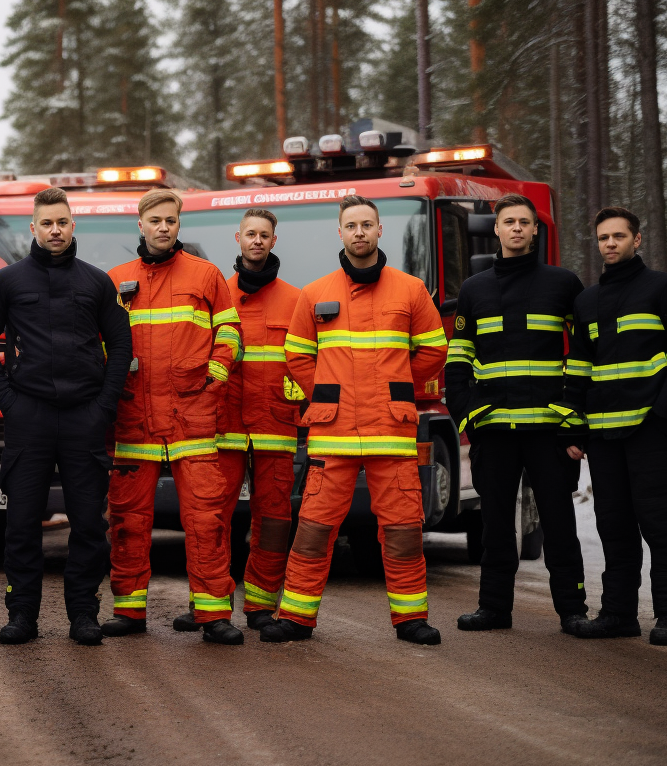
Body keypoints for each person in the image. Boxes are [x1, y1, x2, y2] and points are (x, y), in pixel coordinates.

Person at [261, 194, 447, 645]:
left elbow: (435, 349)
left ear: (379, 230)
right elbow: (297, 356)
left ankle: (410, 619)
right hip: (333, 435)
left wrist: (397, 386)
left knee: (403, 532)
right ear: (340, 232)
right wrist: (326, 394)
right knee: (312, 532)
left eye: (367, 224)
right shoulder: (315, 293)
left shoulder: (411, 290)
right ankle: (296, 618)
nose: (359, 232)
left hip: (391, 433)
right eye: (351, 225)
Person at [0, 187, 132, 646]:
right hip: (30, 418)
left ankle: (83, 615)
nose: (55, 230)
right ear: (34, 228)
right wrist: (8, 401)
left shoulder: (97, 283)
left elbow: (121, 344)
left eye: (62, 222)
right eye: (46, 223)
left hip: (85, 417)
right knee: (22, 523)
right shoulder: (8, 281)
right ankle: (22, 615)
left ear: (72, 225)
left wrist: (104, 404)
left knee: (87, 525)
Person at [560, 207, 667, 646]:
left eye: (619, 236)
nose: (610, 243)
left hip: (649, 433)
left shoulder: (665, 287)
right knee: (614, 527)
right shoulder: (587, 301)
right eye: (603, 237)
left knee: (659, 527)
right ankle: (618, 615)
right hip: (603, 438)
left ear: (636, 240)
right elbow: (579, 369)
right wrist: (573, 427)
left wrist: (663, 412)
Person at [101, 189, 245, 645]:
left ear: (180, 225)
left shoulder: (206, 275)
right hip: (134, 418)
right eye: (156, 220)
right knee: (128, 519)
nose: (165, 227)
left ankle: (213, 615)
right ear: (140, 225)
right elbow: (101, 344)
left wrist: (214, 378)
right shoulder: (115, 280)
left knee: (206, 520)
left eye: (172, 220)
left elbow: (230, 332)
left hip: (193, 418)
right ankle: (128, 610)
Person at [446, 194, 589, 634]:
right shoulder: (474, 289)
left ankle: (573, 611)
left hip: (549, 430)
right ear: (496, 229)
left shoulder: (563, 284)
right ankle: (494, 609)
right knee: (495, 526)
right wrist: (469, 417)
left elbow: (585, 356)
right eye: (509, 222)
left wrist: (573, 420)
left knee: (559, 524)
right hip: (495, 432)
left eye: (524, 223)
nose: (516, 229)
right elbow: (458, 360)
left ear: (534, 230)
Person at [184, 208, 302, 635]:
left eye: (264, 235)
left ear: (274, 240)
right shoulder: (217, 293)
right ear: (238, 238)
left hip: (275, 426)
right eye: (250, 234)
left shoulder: (296, 300)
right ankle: (205, 603)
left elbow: (308, 363)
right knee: (211, 518)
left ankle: (260, 605)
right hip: (223, 425)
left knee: (273, 521)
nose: (256, 241)